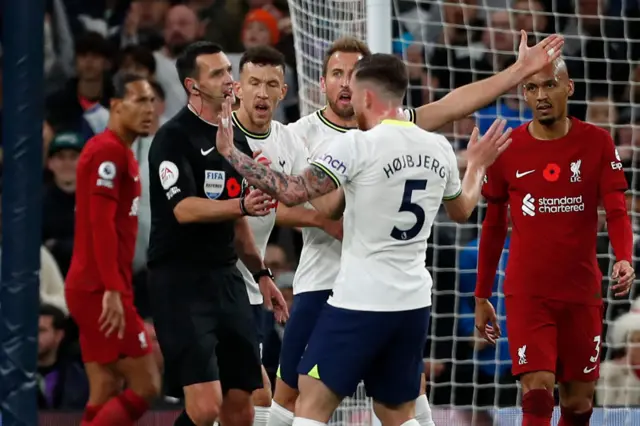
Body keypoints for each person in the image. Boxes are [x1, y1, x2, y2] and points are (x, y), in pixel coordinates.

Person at [267, 32, 565, 426]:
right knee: (294, 395)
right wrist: (321, 219)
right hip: (324, 281)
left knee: (388, 400)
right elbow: (272, 208)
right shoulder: (298, 134)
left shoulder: (388, 128)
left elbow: (452, 103)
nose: (344, 81)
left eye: (352, 73)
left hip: (369, 291)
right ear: (322, 82)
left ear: (367, 86)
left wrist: (517, 71)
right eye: (336, 73)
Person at [215, 53, 512, 426]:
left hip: (361, 301)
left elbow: (291, 192)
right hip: (413, 303)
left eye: (353, 90)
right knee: (398, 413)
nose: (349, 98)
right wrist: (478, 167)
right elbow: (463, 209)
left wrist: (232, 154)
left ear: (368, 97)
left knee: (311, 400)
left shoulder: (357, 145)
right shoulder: (438, 148)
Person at [475, 57, 635, 426]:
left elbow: (616, 210)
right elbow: (494, 225)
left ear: (569, 87)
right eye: (531, 88)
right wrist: (482, 295)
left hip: (581, 291)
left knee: (578, 405)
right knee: (537, 391)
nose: (540, 95)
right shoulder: (508, 148)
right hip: (529, 293)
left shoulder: (597, 142)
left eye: (549, 85)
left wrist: (624, 257)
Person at [146, 41, 288, 426]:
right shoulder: (173, 139)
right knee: (206, 406)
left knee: (245, 405)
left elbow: (237, 220)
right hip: (181, 282)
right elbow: (184, 209)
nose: (230, 80)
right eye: (219, 73)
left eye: (229, 70)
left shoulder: (233, 140)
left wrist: (262, 274)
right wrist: (240, 205)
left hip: (226, 280)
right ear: (193, 86)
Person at [231, 45, 342, 426]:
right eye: (254, 83)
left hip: (249, 279)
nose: (262, 93)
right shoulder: (219, 139)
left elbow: (299, 199)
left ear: (284, 92)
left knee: (245, 399)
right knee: (253, 393)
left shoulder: (289, 142)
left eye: (272, 85)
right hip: (211, 279)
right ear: (238, 88)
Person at [65, 73, 161, 426]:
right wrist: (112, 288)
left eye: (152, 101)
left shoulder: (121, 152)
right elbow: (100, 223)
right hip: (99, 288)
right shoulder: (108, 151)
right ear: (116, 106)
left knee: (104, 387)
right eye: (139, 101)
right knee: (148, 383)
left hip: (96, 286)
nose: (149, 109)